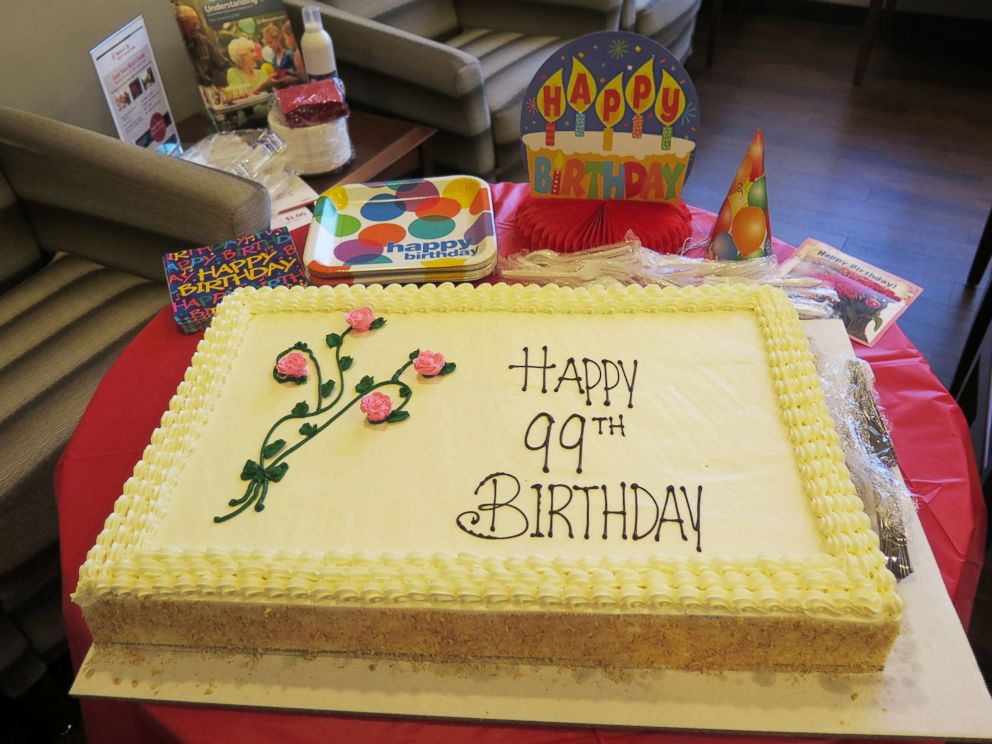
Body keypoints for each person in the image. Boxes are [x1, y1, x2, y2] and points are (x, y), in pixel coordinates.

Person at [174, 3, 227, 88]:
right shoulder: (173, 49)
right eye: (194, 24)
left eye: (198, 23)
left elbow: (224, 65)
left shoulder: (203, 41)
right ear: (179, 25)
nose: (198, 27)